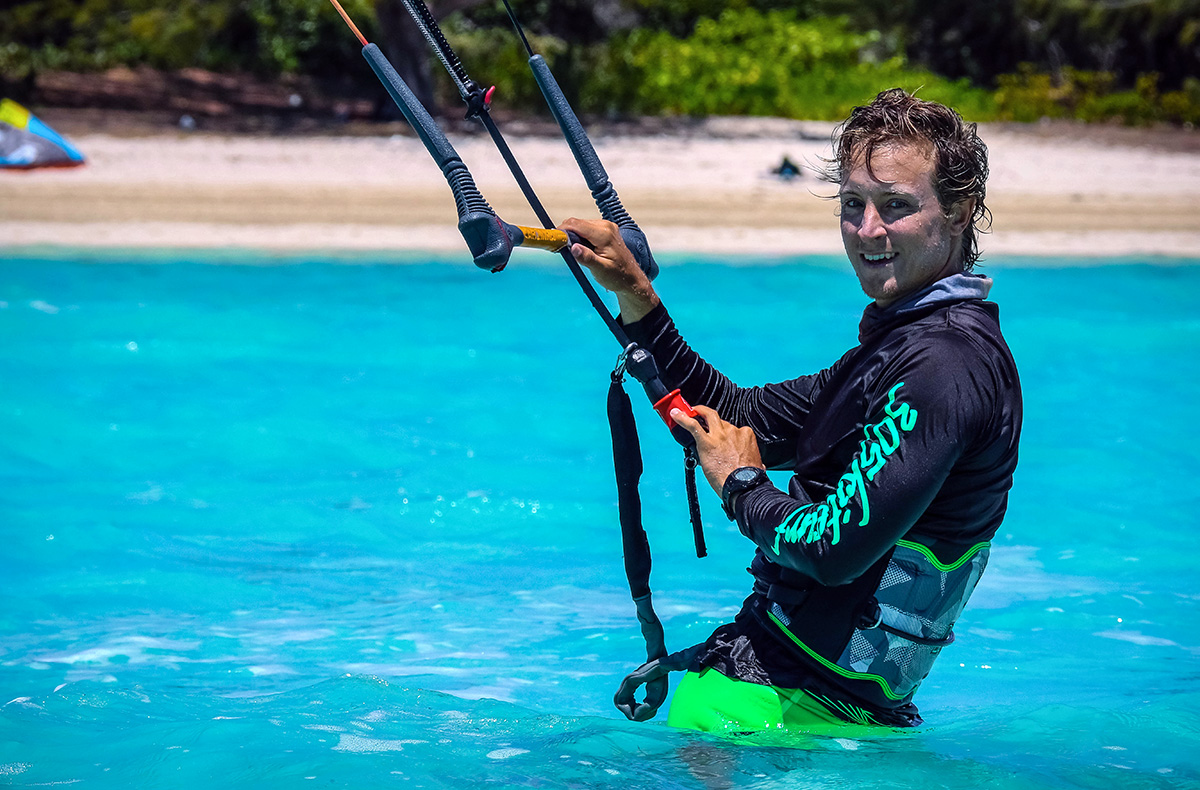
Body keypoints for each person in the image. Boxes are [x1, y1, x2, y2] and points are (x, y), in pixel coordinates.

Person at [560, 89, 1022, 731]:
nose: (868, 231)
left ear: (960, 209)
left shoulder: (944, 367)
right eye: (853, 205)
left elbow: (836, 548)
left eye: (896, 206)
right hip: (806, 705)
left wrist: (741, 485)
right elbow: (730, 414)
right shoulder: (904, 348)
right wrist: (636, 294)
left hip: (780, 713)